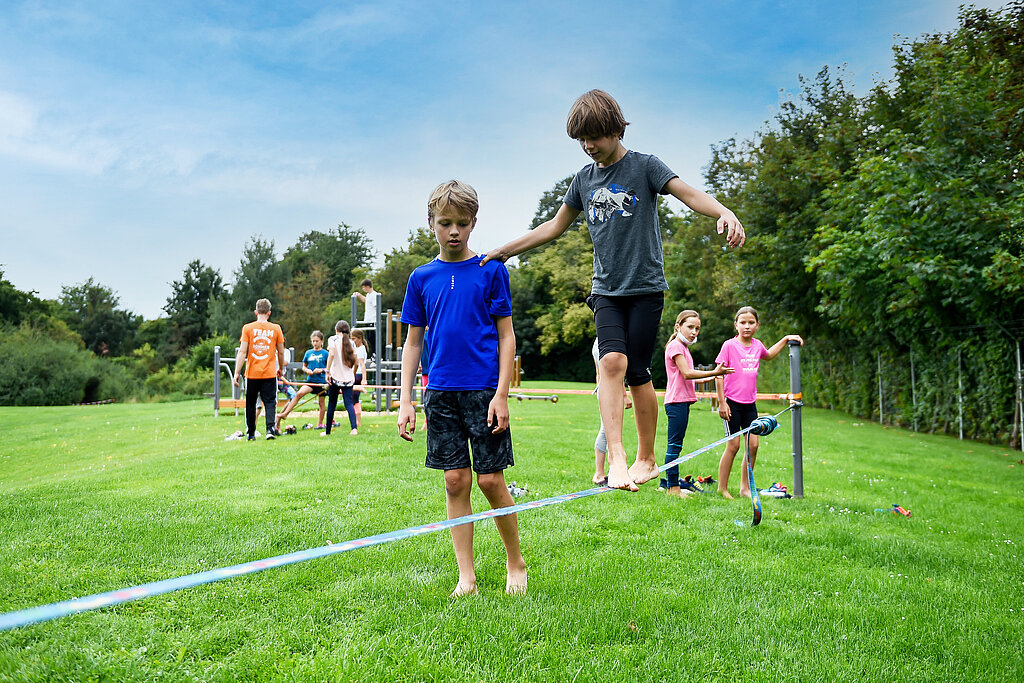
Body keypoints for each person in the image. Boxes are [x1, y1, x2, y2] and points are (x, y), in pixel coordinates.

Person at [482, 89, 745, 491]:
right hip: (606, 290)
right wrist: (505, 250)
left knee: (638, 372)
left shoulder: (645, 167)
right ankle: (617, 455)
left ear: (615, 129)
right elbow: (554, 227)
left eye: (595, 138)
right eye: (581, 140)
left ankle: (647, 456)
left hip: (646, 288)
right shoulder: (584, 180)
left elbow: (688, 193)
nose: (588, 147)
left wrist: (724, 210)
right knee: (611, 363)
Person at [397, 179, 527, 598]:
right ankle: (466, 577)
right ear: (431, 224)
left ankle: (515, 562)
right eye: (444, 223)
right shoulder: (421, 278)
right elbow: (414, 341)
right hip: (441, 394)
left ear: (474, 223)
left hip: (484, 391)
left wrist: (502, 393)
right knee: (455, 481)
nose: (453, 231)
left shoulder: (491, 270)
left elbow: (506, 336)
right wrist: (406, 401)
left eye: (462, 223)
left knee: (490, 481)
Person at [714, 306, 802, 499]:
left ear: (757, 325)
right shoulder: (729, 346)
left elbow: (768, 355)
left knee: (753, 446)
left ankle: (745, 488)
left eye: (751, 323)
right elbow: (718, 376)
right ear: (736, 325)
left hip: (749, 405)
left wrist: (786, 339)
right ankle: (722, 488)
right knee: (734, 446)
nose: (747, 326)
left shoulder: (757, 345)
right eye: (743, 323)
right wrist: (722, 403)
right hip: (731, 403)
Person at [660, 310, 733, 497]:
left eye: (697, 328)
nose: (694, 332)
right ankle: (673, 488)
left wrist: (716, 374)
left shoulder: (683, 348)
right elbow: (688, 374)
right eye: (690, 327)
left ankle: (671, 485)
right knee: (674, 445)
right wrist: (714, 372)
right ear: (678, 327)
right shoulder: (676, 347)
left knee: (676, 444)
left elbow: (689, 379)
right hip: (676, 402)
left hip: (681, 402)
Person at [233, 298, 286, 441]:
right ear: (269, 313)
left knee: (250, 403)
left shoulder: (247, 328)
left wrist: (237, 372)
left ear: (256, 312)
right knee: (270, 402)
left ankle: (251, 433)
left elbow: (242, 352)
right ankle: (270, 429)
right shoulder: (276, 328)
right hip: (269, 372)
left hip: (252, 373)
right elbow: (281, 352)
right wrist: (280, 368)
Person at [592, 338, 631, 486]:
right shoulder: (607, 342)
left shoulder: (598, 343)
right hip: (610, 392)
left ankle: (609, 471)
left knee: (609, 429)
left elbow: (599, 373)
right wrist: (624, 395)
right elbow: (615, 375)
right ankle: (599, 473)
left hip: (603, 390)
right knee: (607, 429)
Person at [275, 330, 329, 432]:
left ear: (322, 341)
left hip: (321, 382)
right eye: (313, 341)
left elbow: (330, 368)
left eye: (317, 341)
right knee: (298, 394)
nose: (315, 343)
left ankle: (320, 423)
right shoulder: (308, 353)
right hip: (311, 381)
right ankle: (285, 414)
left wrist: (321, 370)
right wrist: (307, 370)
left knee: (321, 403)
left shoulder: (326, 353)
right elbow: (304, 366)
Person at [324, 320, 360, 437]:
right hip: (348, 377)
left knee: (331, 404)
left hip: (334, 375)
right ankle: (354, 428)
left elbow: (332, 354)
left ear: (336, 330)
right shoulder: (351, 342)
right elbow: (356, 361)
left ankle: (328, 431)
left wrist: (327, 371)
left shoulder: (332, 339)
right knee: (349, 403)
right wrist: (352, 374)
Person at [353, 278, 379, 355]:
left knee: (372, 338)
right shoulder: (369, 295)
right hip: (368, 319)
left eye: (364, 287)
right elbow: (366, 301)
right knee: (369, 338)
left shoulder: (374, 294)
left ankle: (376, 354)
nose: (363, 289)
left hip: (372, 319)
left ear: (368, 286)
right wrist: (359, 295)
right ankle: (373, 354)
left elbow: (376, 306)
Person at [350, 328, 369, 427]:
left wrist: (364, 379)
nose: (352, 341)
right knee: (353, 399)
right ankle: (357, 420)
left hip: (357, 375)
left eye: (354, 339)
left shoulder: (361, 349)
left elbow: (362, 365)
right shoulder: (357, 348)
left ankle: (358, 421)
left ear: (360, 338)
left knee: (354, 399)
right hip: (354, 374)